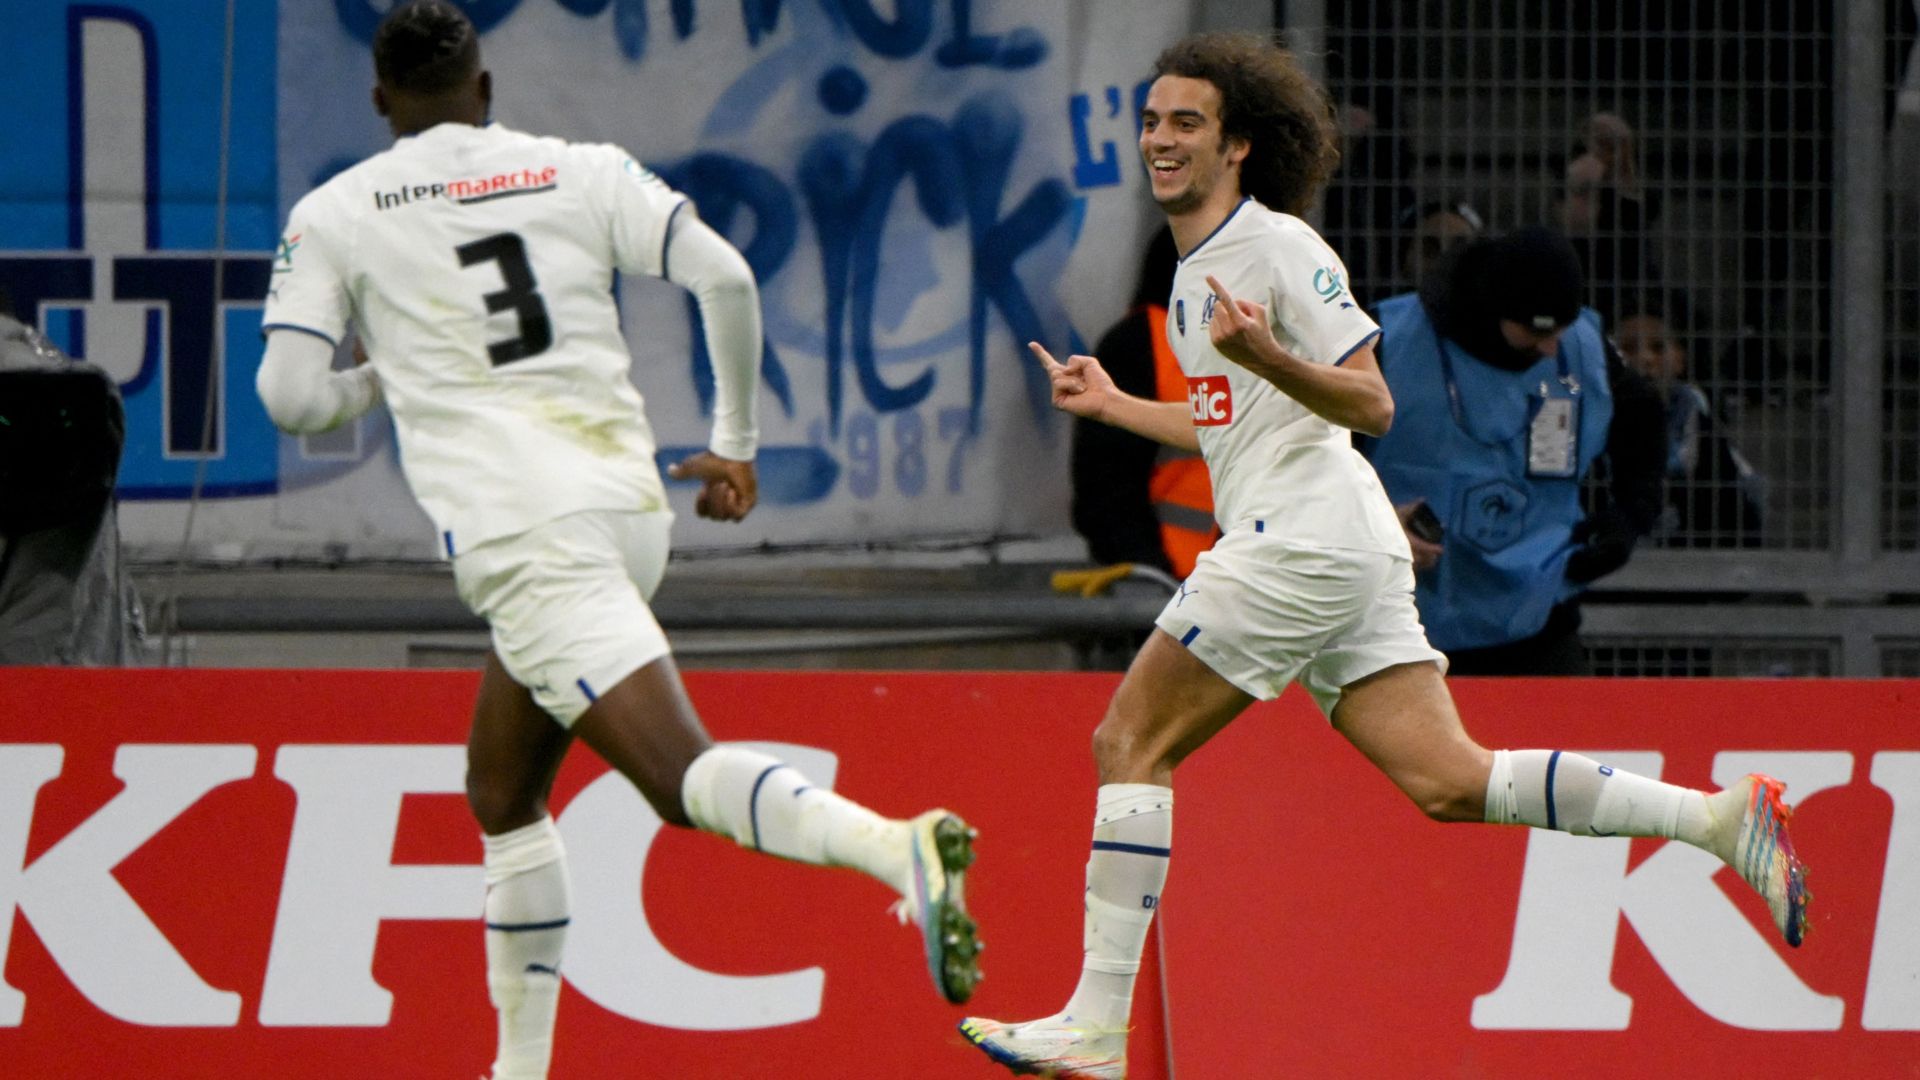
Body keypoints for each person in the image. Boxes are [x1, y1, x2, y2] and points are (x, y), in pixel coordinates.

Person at [958, 32, 1808, 1080]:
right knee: (1449, 781)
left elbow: (1370, 396)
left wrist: (1267, 349)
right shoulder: (1198, 272)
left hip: (1298, 542)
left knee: (1128, 745)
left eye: (1187, 122)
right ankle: (1718, 819)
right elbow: (1232, 428)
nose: (1160, 138)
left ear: (1239, 148)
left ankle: (1093, 1028)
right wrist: (1119, 402)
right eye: (1151, 120)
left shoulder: (1277, 249)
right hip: (1338, 540)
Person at [252, 5, 979, 1078]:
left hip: (523, 535)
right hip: (622, 510)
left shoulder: (337, 213)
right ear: (486, 89)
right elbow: (726, 275)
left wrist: (386, 368)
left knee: (678, 783)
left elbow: (290, 397)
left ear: (378, 102)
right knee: (501, 794)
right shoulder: (575, 169)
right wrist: (736, 444)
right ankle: (520, 1067)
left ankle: (892, 848)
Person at [1358, 226, 1667, 676]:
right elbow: (1309, 456)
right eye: (1536, 330)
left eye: (1563, 328)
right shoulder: (1386, 344)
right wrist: (1372, 527)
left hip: (1536, 617)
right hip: (1398, 620)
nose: (1550, 348)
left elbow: (1643, 419)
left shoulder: (1579, 346)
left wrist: (1631, 517)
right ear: (1492, 308)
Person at [1069, 226, 1217, 579]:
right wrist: (1152, 578)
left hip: (1233, 586)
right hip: (1169, 587)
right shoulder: (1139, 345)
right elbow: (1106, 492)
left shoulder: (1256, 348)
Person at [1613, 290, 1765, 548]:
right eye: (1628, 348)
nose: (1645, 359)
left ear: (1681, 359)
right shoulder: (1593, 416)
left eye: (1658, 348)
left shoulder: (1696, 417)